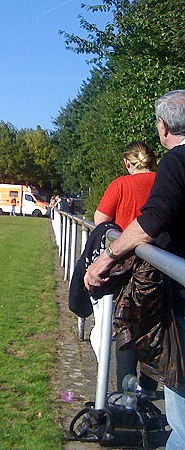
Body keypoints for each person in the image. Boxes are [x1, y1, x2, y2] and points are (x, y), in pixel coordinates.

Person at [85, 90, 185, 449]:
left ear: (163, 127)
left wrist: (108, 256)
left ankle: (129, 393)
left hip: (156, 280)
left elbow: (122, 220)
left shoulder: (175, 163)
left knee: (130, 330)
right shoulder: (162, 171)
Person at [93, 141, 158, 393]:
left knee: (124, 326)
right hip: (161, 267)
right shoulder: (167, 182)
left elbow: (101, 221)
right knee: (155, 327)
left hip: (128, 268)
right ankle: (150, 387)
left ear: (127, 163)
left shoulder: (121, 185)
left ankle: (126, 391)